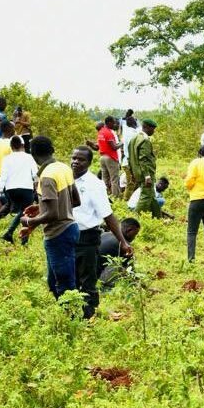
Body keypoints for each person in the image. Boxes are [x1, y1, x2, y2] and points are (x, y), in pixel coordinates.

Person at [71, 146, 132, 318]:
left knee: (87, 280)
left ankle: (90, 316)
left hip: (86, 237)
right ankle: (71, 315)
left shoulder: (94, 184)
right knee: (69, 278)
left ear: (89, 163)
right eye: (74, 158)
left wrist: (123, 241)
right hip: (65, 236)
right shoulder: (65, 179)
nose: (75, 162)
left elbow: (108, 215)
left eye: (81, 159)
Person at [20, 136, 81, 300]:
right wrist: (41, 207)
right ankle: (65, 311)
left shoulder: (47, 177)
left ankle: (72, 313)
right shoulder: (63, 168)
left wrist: (29, 221)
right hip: (71, 228)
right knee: (53, 281)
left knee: (65, 282)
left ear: (32, 154)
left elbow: (53, 214)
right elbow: (75, 200)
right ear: (52, 150)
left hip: (58, 233)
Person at [0, 136, 38, 244]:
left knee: (22, 211)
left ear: (11, 146)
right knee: (26, 212)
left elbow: (3, 176)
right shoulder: (29, 157)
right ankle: (19, 237)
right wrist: (36, 185)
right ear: (23, 145)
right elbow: (35, 174)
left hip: (11, 190)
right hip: (26, 189)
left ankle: (11, 234)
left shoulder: (7, 158)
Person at [128, 119, 161, 218]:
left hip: (137, 172)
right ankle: (134, 219)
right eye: (153, 129)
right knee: (146, 196)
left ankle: (157, 218)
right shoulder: (145, 140)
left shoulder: (134, 138)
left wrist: (132, 173)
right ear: (146, 127)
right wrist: (147, 176)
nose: (153, 131)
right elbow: (143, 159)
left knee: (152, 196)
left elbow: (130, 157)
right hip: (145, 174)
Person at [98, 218, 140, 292]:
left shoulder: (105, 234)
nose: (134, 237)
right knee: (119, 265)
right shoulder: (124, 244)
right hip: (98, 277)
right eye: (135, 234)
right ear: (129, 230)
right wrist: (139, 286)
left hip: (84, 274)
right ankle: (106, 289)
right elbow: (130, 269)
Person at [90, 116, 121, 197]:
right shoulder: (108, 133)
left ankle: (105, 196)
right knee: (114, 179)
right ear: (109, 123)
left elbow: (98, 146)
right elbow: (114, 147)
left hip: (102, 157)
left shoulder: (101, 132)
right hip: (110, 157)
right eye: (113, 123)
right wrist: (122, 143)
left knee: (105, 179)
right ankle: (116, 197)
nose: (114, 124)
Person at [119, 112, 141, 200]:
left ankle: (129, 198)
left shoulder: (126, 132)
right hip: (129, 163)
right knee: (131, 183)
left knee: (133, 182)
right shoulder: (133, 133)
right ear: (134, 123)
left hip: (127, 161)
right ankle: (126, 200)